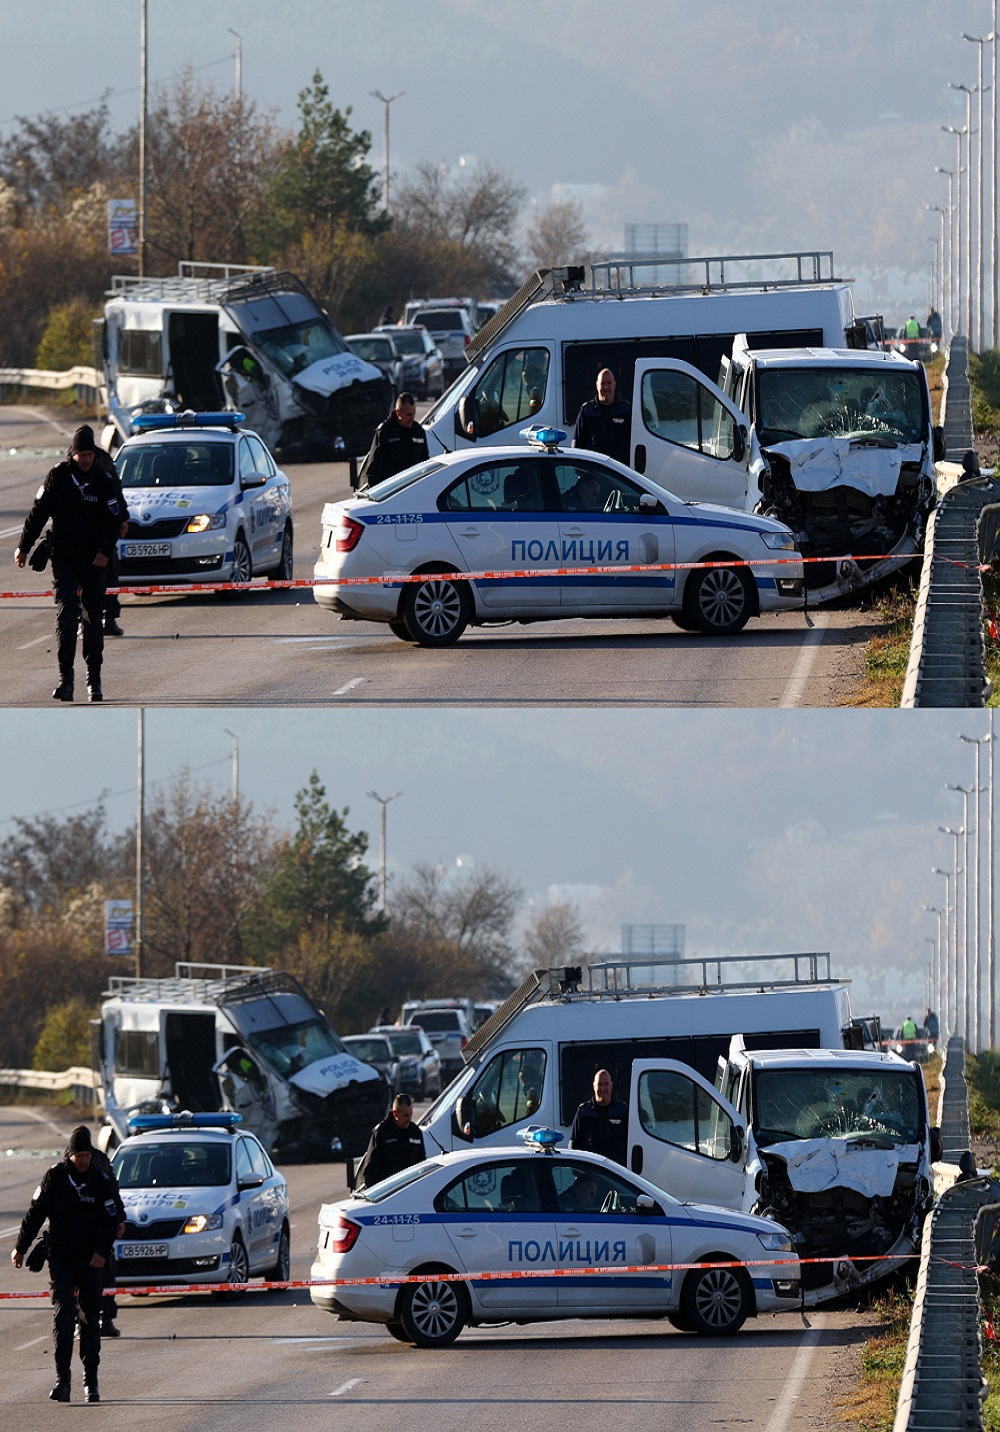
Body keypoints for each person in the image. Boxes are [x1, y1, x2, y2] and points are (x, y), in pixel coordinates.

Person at [11, 1125, 119, 1403]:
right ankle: (63, 1381)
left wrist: (101, 1253)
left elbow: (110, 1220)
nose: (83, 1160)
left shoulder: (100, 1180)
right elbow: (35, 1214)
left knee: (89, 1318)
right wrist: (21, 1248)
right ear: (69, 1156)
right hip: (61, 1256)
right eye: (78, 1155)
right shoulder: (55, 1178)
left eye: (86, 1154)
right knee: (63, 1315)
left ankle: (91, 1381)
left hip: (91, 1260)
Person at [15, 424, 123, 702]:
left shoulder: (103, 480)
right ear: (72, 455)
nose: (86, 459)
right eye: (81, 455)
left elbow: (113, 521)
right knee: (66, 615)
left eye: (89, 454)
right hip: (64, 555)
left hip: (94, 559)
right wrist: (24, 547)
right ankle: (66, 680)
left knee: (92, 618)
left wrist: (104, 551)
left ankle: (94, 680)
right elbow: (38, 513)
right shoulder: (59, 477)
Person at [355, 1094, 426, 1189]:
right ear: (395, 1114)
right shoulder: (381, 1132)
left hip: (411, 1189)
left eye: (410, 1114)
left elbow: (422, 1164)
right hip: (388, 1191)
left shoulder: (415, 1132)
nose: (409, 1119)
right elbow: (371, 1171)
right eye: (405, 1115)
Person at [358, 393, 429, 488]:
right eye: (408, 415)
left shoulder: (418, 431)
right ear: (398, 413)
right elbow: (373, 470)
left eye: (413, 414)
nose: (412, 418)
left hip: (413, 488)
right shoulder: (385, 432)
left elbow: (425, 463)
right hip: (391, 491)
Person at [572, 368, 632, 465]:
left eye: (609, 383)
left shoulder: (625, 410)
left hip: (620, 471)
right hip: (595, 470)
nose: (606, 387)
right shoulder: (586, 411)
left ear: (614, 385)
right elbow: (577, 444)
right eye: (603, 384)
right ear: (597, 386)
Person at [569, 1069, 629, 1166]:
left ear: (611, 1086)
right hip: (592, 1172)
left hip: (617, 1173)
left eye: (606, 1084)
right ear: (594, 1086)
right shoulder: (583, 1113)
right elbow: (574, 1146)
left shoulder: (623, 1111)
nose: (603, 1088)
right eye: (600, 1084)